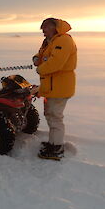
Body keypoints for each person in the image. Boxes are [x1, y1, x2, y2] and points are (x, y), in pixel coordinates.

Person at [33, 18, 77, 160]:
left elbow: (56, 63)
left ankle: (56, 148)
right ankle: (53, 143)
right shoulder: (49, 41)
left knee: (55, 118)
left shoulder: (63, 40)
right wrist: (36, 59)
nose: (43, 31)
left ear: (55, 27)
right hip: (51, 87)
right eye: (42, 28)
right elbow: (42, 55)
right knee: (51, 116)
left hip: (59, 87)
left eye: (45, 27)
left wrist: (40, 69)